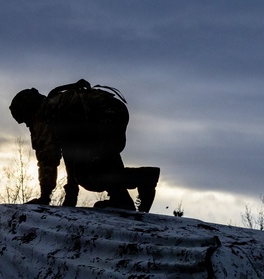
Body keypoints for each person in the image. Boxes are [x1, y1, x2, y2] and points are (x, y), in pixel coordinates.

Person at [9, 78, 161, 212]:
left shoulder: (43, 114)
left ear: (27, 111)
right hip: (113, 112)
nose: (28, 125)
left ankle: (145, 178)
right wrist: (70, 198)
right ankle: (121, 200)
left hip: (105, 116)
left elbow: (47, 158)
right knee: (101, 162)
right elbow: (71, 156)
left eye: (25, 120)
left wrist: (44, 197)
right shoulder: (57, 110)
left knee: (88, 176)